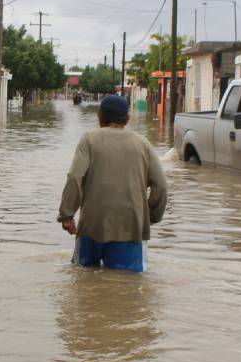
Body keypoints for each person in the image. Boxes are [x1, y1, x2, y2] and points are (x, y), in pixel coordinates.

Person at [58, 94, 168, 273]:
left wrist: (67, 215)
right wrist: (151, 216)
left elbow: (74, 177)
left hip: (91, 226)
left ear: (99, 117)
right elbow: (161, 186)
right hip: (130, 228)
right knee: (125, 286)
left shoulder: (89, 140)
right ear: (127, 119)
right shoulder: (143, 144)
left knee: (83, 280)